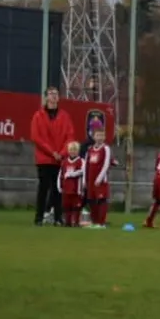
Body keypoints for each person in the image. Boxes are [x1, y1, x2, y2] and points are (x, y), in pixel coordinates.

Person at [29, 86, 76, 226]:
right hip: (44, 159)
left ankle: (58, 218)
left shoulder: (65, 116)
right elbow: (36, 137)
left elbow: (70, 136)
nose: (53, 96)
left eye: (56, 93)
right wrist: (52, 152)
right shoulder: (38, 116)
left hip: (59, 159)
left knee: (58, 190)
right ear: (46, 97)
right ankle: (39, 217)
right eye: (51, 93)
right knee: (43, 189)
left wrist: (61, 153)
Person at [82, 125, 118, 227]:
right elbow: (85, 165)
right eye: (98, 135)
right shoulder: (89, 149)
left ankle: (101, 222)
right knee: (91, 200)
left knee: (102, 200)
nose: (100, 137)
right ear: (93, 137)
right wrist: (84, 179)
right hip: (90, 179)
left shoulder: (106, 148)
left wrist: (100, 178)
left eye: (102, 135)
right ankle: (95, 221)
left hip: (101, 180)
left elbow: (106, 164)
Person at [59, 141, 86, 227]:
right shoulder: (64, 162)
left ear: (78, 151)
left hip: (77, 189)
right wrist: (59, 186)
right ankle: (68, 222)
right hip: (66, 188)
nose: (73, 151)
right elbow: (61, 174)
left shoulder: (81, 161)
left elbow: (83, 171)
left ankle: (76, 222)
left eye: (75, 150)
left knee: (76, 206)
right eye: (71, 150)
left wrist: (71, 174)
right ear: (68, 151)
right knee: (67, 206)